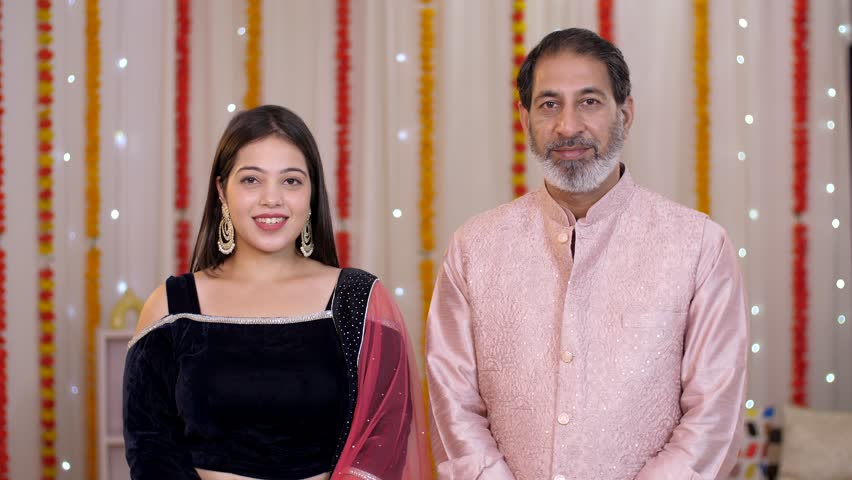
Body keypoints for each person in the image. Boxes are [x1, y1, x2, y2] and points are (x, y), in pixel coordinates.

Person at [426, 28, 748, 480]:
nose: (568, 126)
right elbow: (452, 403)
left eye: (590, 101)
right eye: (549, 104)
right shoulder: (473, 248)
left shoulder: (698, 247)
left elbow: (714, 414)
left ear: (626, 112)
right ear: (525, 119)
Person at [123, 105, 431, 480]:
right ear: (222, 190)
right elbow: (151, 447)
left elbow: (385, 440)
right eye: (251, 180)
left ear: (312, 192)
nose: (272, 199)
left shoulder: (358, 301)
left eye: (291, 181)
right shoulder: (171, 308)